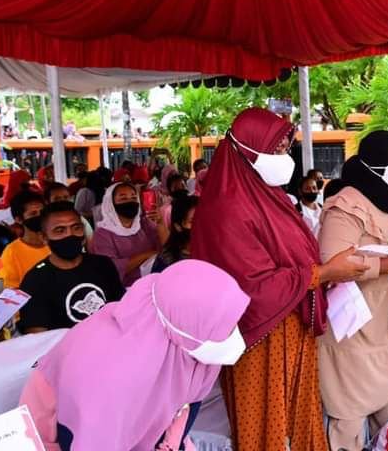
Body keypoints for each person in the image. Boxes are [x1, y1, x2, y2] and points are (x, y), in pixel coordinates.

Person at [191, 107, 368, 451]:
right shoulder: (226, 208)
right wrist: (325, 272)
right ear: (247, 151)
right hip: (260, 337)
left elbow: (294, 254)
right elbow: (250, 288)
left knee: (296, 419)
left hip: (292, 322)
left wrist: (326, 272)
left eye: (286, 149)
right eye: (276, 150)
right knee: (264, 427)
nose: (285, 158)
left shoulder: (269, 195)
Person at [19, 259, 251, 450]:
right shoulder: (114, 378)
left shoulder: (184, 343)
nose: (234, 336)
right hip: (66, 433)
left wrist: (170, 444)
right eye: (226, 328)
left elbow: (184, 411)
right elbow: (91, 440)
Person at [318, 131, 388, 451]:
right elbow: (332, 263)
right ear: (378, 162)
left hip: (385, 321)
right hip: (352, 326)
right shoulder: (346, 205)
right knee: (348, 414)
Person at [17, 201, 124, 334]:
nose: (70, 234)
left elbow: (122, 310)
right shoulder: (34, 281)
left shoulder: (103, 264)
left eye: (76, 228)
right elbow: (38, 337)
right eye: (60, 230)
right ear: (44, 237)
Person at [89, 182, 161, 286]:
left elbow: (165, 247)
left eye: (133, 198)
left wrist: (161, 223)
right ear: (111, 204)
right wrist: (147, 255)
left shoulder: (144, 223)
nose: (130, 202)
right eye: (123, 199)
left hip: (153, 281)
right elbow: (111, 267)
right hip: (124, 288)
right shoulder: (103, 234)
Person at [0, 191, 49, 289]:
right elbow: (7, 291)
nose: (40, 216)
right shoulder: (12, 253)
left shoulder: (57, 242)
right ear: (19, 220)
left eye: (42, 212)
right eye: (33, 213)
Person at [152, 195, 198, 272]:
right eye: (192, 221)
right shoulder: (167, 260)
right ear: (178, 226)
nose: (199, 225)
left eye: (202, 219)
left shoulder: (213, 253)